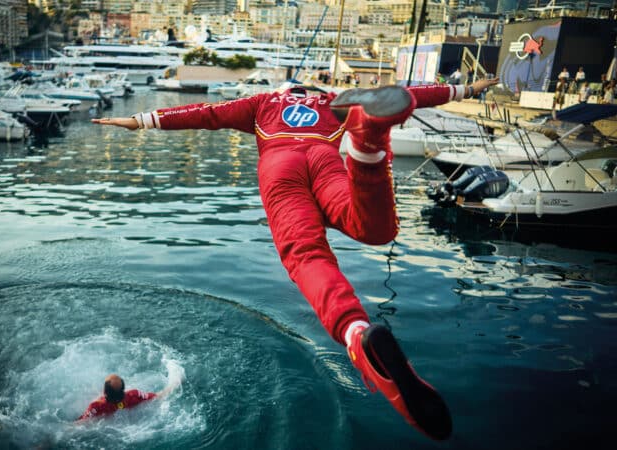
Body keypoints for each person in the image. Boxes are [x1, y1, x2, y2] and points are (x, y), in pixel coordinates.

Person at [92, 78, 498, 440]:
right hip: (326, 161)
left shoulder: (264, 103)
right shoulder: (335, 102)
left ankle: (356, 334)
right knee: (374, 229)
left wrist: (141, 120)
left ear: (285, 94)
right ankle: (368, 148)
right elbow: (415, 93)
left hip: (280, 166)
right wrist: (465, 89)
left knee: (305, 255)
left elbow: (206, 114)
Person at [76, 373, 179, 421]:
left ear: (104, 392)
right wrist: (175, 380)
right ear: (123, 390)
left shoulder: (96, 406)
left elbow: (80, 423)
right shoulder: (134, 395)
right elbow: (159, 396)